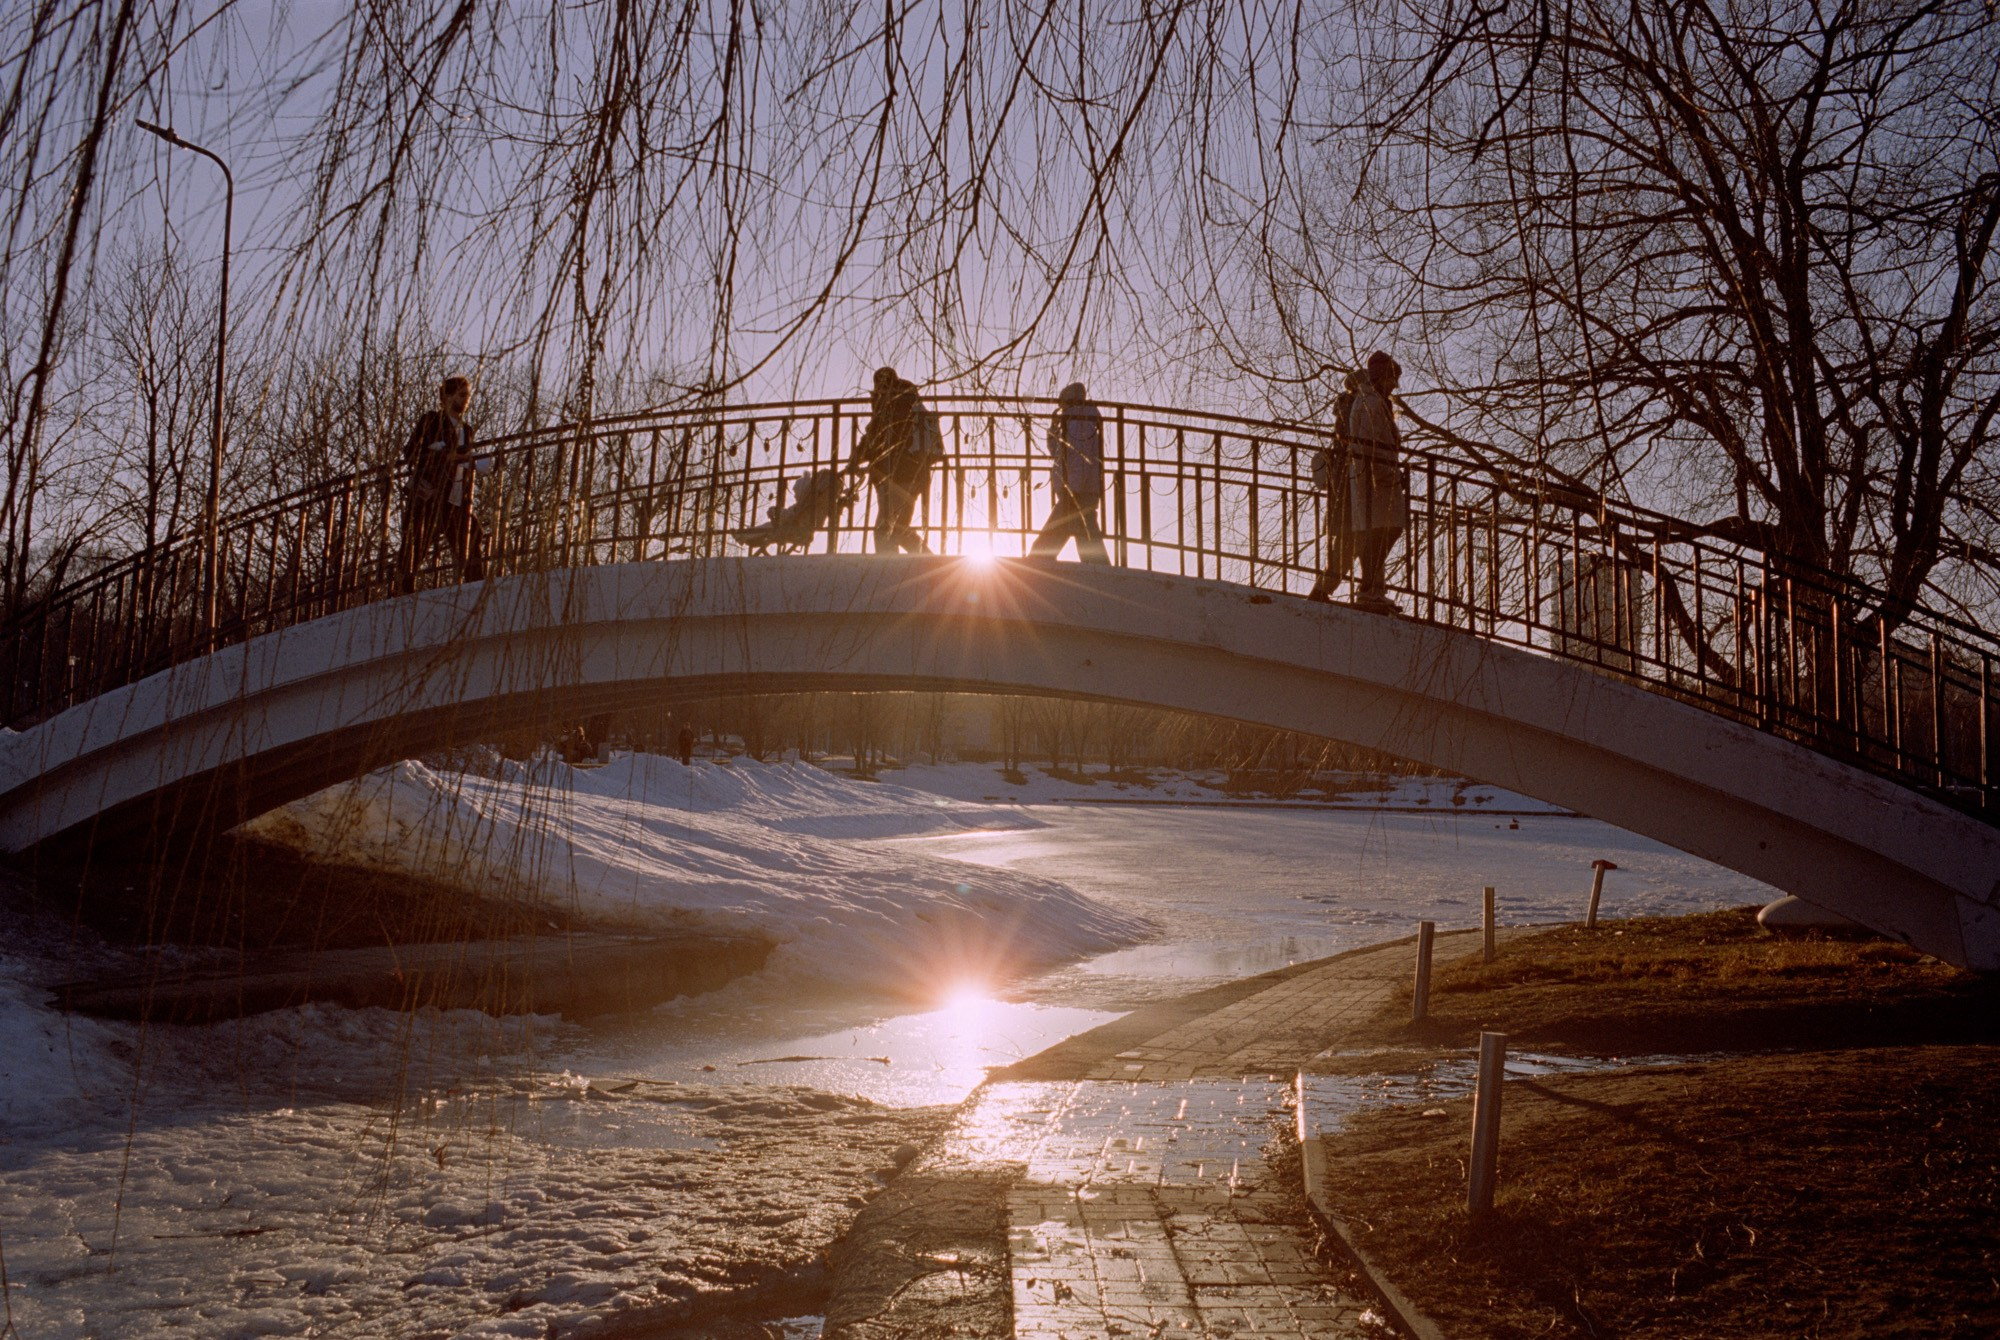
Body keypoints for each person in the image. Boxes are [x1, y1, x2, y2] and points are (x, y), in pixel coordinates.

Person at [397, 375, 491, 591]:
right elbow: (412, 452)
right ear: (447, 396)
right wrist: (443, 455)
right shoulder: (431, 420)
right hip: (431, 494)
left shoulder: (466, 430)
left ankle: (475, 587)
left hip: (456, 496)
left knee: (472, 533)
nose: (466, 400)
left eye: (468, 395)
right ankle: (403, 593)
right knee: (416, 543)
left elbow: (464, 457)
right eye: (462, 395)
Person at [1343, 352, 1408, 612]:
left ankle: (1372, 589)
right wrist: (1387, 473)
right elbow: (1373, 443)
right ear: (1382, 378)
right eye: (1392, 379)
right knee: (1384, 529)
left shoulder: (1375, 401)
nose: (1394, 386)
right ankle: (1369, 590)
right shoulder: (1370, 402)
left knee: (1380, 531)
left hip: (1376, 478)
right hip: (1375, 479)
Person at [844, 366, 933, 554]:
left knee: (885, 530)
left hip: (893, 475)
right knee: (899, 528)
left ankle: (889, 570)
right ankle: (926, 562)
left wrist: (855, 460)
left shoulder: (890, 408)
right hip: (915, 474)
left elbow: (874, 437)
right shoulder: (912, 406)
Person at [1030, 382, 1110, 563]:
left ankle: (1036, 562)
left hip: (1075, 490)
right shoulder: (1081, 421)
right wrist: (1054, 431)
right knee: (1086, 534)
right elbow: (1059, 453)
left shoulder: (1077, 423)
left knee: (1050, 540)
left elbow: (1078, 459)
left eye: (1061, 403)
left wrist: (1072, 489)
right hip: (1082, 489)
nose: (1060, 407)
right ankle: (1103, 571)